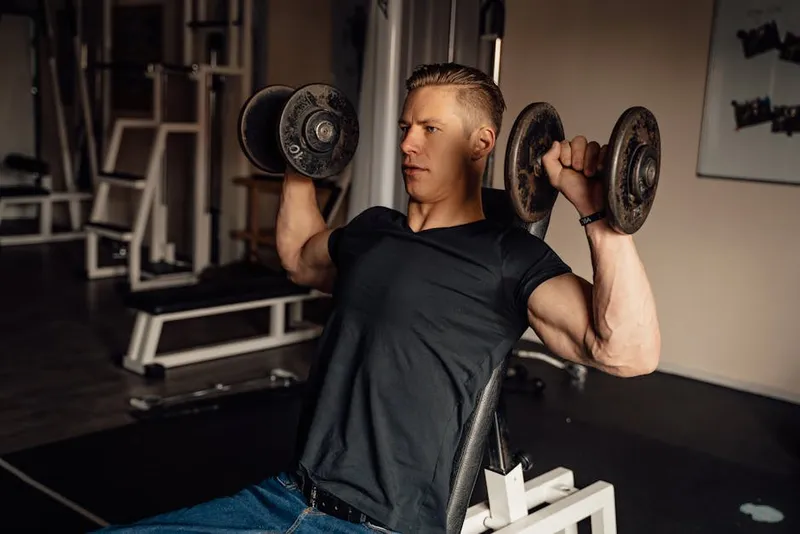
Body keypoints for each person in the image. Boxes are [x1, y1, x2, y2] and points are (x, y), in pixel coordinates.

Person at [97, 63, 660, 533]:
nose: (408, 144)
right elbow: (298, 257)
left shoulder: (508, 257)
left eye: (430, 129)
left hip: (375, 525)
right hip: (284, 497)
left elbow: (628, 352)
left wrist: (600, 216)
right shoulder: (372, 229)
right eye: (405, 127)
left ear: (482, 143)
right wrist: (301, 158)